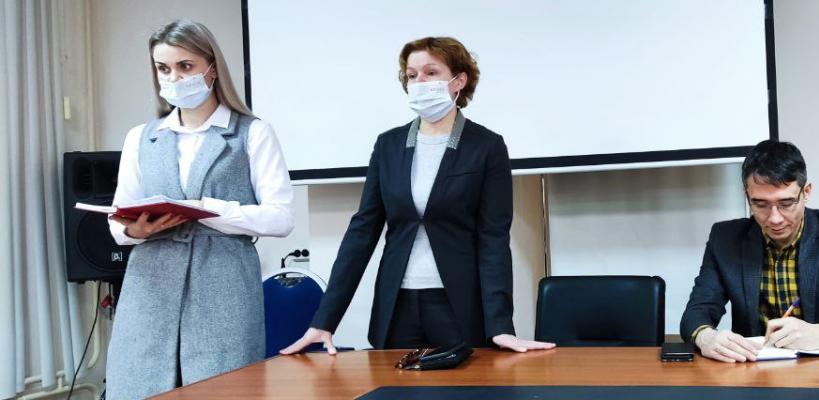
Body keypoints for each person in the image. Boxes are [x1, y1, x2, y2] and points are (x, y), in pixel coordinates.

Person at [282, 37, 553, 354]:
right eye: (412, 75)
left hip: (459, 306)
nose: (420, 82)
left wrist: (500, 325)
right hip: (398, 307)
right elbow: (362, 233)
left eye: (431, 73)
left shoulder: (486, 146)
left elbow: (493, 239)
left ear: (459, 81)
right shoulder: (388, 145)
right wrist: (324, 321)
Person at [105, 20, 294, 399]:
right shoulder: (140, 137)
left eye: (185, 66)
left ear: (212, 67)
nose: (173, 77)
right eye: (163, 68)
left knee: (224, 390)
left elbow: (281, 217)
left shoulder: (252, 132)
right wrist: (133, 231)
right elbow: (118, 219)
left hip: (223, 286)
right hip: (150, 288)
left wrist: (208, 209)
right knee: (139, 386)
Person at [680, 140, 819, 362]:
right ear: (747, 195)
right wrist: (706, 337)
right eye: (760, 204)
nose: (774, 218)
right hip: (753, 370)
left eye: (786, 203)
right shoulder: (724, 239)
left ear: (806, 192)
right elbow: (696, 313)